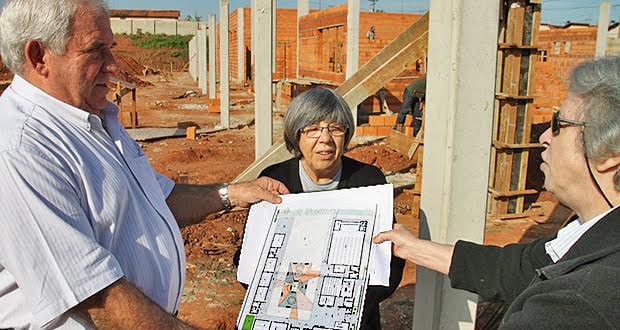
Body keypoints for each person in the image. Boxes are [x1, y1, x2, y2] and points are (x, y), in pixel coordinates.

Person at [0, 1, 288, 329]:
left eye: (111, 49)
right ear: (39, 56)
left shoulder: (95, 119)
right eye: (96, 50)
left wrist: (233, 194)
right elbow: (98, 299)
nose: (113, 65)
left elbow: (155, 197)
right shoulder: (20, 148)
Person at [374, 57, 620, 328]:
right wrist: (413, 248)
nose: (544, 136)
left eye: (558, 124)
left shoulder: (577, 305)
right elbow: (520, 268)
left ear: (609, 154)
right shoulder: (593, 237)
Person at [259, 87, 405, 329]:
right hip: (288, 313)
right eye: (313, 129)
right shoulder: (275, 180)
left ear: (346, 135)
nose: (325, 139)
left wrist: (351, 305)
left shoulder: (368, 181)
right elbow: (252, 255)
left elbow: (390, 259)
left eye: (335, 129)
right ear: (296, 135)